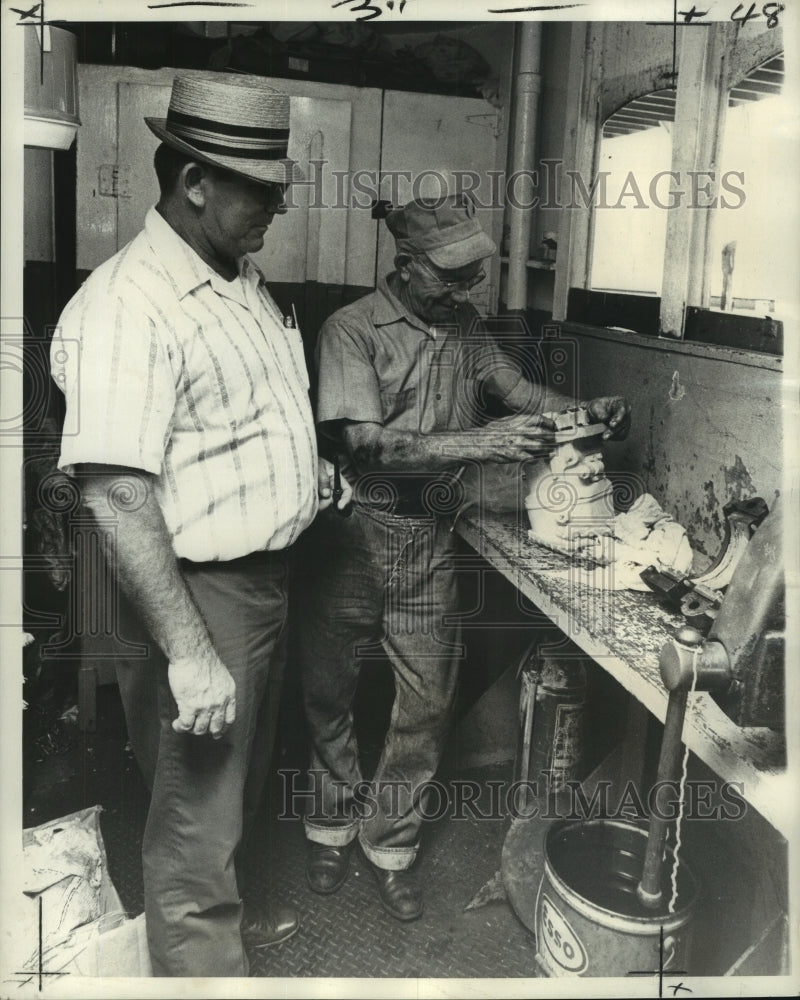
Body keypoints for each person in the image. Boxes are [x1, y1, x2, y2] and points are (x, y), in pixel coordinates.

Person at [50, 73, 349, 977]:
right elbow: (116, 489)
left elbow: (230, 426)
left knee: (232, 785)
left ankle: (218, 923)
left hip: (262, 582)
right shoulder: (130, 305)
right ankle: (200, 966)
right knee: (194, 818)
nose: (277, 210)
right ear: (193, 185)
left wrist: (309, 474)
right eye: (260, 192)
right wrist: (188, 649)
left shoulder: (236, 278)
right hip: (197, 593)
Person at [299, 193, 631, 921]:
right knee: (328, 694)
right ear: (406, 266)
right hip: (352, 534)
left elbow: (518, 392)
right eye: (450, 278)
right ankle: (328, 825)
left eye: (472, 278)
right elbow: (367, 445)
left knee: (426, 702)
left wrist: (581, 410)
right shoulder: (351, 330)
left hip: (429, 538)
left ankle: (389, 843)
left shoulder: (466, 327)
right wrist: (480, 443)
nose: (463, 292)